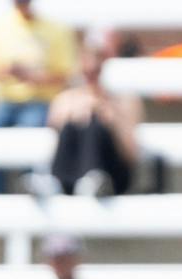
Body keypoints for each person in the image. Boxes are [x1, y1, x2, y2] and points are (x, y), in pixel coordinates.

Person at [0, 0, 77, 194]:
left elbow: (63, 75)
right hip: (2, 100)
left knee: (30, 129)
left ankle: (30, 189)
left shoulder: (56, 29)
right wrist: (13, 71)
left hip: (39, 100)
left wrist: (31, 76)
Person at [40, 30, 141, 198]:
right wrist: (75, 113)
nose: (91, 73)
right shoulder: (65, 99)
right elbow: (56, 138)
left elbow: (130, 153)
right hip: (71, 175)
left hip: (112, 177)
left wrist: (110, 118)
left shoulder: (124, 100)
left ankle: (92, 179)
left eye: (96, 69)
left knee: (95, 126)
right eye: (87, 69)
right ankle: (66, 182)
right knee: (75, 125)